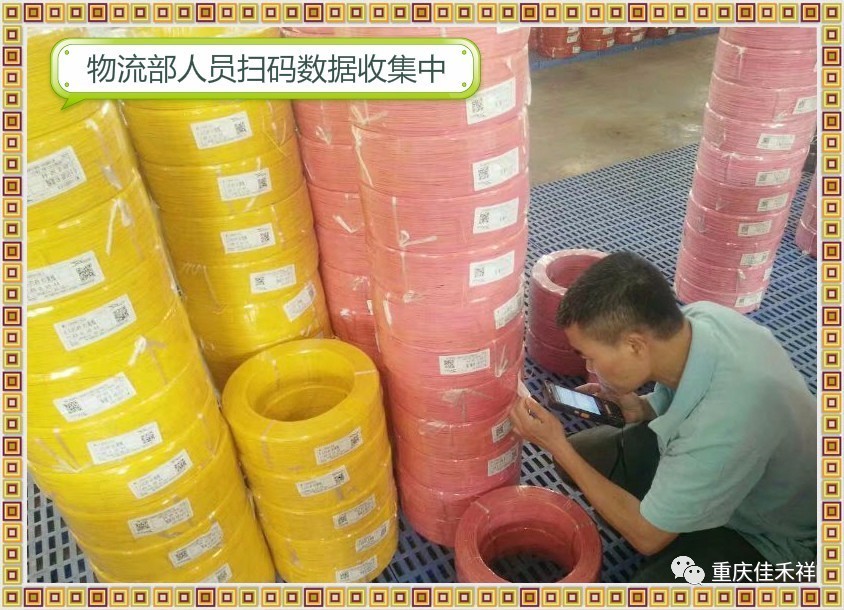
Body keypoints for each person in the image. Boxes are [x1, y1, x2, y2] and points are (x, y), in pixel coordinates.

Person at [509, 251, 816, 583]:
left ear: (635, 346)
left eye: (591, 356)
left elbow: (647, 538)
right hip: (728, 470)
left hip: (769, 534)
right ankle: (677, 516)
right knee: (585, 456)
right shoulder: (704, 318)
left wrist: (555, 444)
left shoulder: (721, 425)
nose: (590, 367)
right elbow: (688, 387)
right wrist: (642, 407)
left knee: (648, 590)